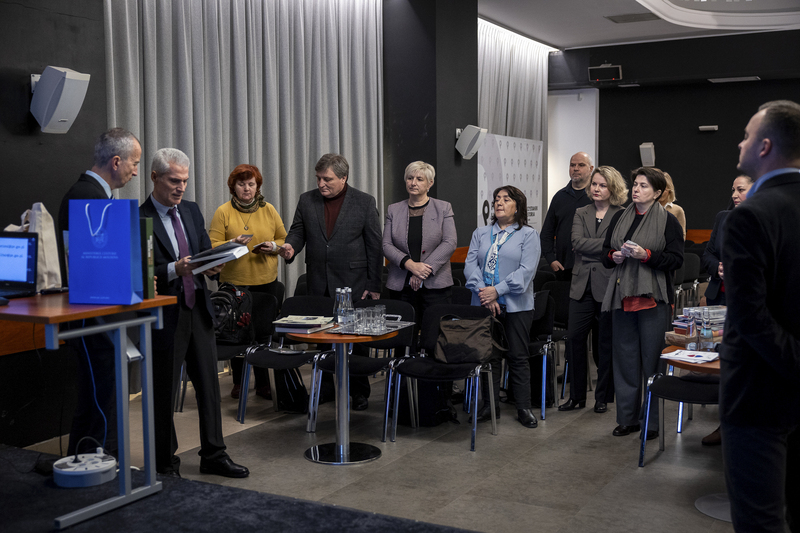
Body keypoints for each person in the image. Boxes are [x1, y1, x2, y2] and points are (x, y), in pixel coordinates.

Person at [140, 148, 249, 478]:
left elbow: (202, 254)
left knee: (209, 388)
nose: (181, 188)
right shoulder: (138, 217)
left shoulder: (190, 210)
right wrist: (175, 268)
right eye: (174, 180)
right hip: (165, 314)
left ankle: (214, 454)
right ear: (154, 177)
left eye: (185, 181)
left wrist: (217, 263)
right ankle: (163, 462)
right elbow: (139, 272)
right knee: (163, 392)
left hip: (198, 309)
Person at [719, 100, 800, 532]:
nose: (741, 141)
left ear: (765, 146)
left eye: (748, 134)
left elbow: (750, 319)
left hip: (759, 393)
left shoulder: (751, 214)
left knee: (760, 522)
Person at [57, 127, 142, 457]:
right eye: (134, 163)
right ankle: (103, 463)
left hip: (95, 310)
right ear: (117, 161)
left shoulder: (90, 193)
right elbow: (95, 260)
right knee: (102, 393)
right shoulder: (87, 196)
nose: (135, 170)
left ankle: (88, 459)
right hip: (92, 313)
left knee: (97, 392)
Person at [279, 153, 382, 410]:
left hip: (354, 281)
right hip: (318, 280)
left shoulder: (364, 202)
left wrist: (374, 284)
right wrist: (290, 247)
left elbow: (374, 246)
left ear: (343, 178)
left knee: (355, 340)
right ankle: (325, 388)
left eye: (328, 179)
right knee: (323, 339)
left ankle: (359, 392)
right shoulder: (306, 200)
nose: (321, 184)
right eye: (318, 178)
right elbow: (298, 231)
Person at [601, 167, 683, 440]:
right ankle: (628, 419)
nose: (636, 189)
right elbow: (605, 253)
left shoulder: (668, 221)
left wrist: (646, 254)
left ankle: (652, 422)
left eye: (644, 186)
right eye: (635, 184)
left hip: (652, 300)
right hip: (622, 297)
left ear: (658, 192)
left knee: (652, 364)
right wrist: (614, 256)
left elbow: (675, 260)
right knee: (624, 362)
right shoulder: (619, 217)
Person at [209, 164, 287, 400]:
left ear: (258, 186)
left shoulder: (269, 210)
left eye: (251, 184)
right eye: (241, 184)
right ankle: (239, 382)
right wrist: (232, 243)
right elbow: (212, 247)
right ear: (233, 187)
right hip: (234, 284)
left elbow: (282, 238)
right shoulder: (223, 212)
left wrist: (273, 247)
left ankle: (263, 383)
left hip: (266, 282)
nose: (247, 188)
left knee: (262, 334)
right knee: (236, 334)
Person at [465, 185, 540, 428]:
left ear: (517, 206)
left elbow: (526, 272)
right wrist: (486, 294)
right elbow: (470, 266)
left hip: (516, 306)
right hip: (485, 304)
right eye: (497, 199)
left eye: (506, 199)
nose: (499, 203)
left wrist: (498, 291)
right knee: (490, 357)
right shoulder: (481, 232)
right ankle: (489, 405)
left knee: (518, 356)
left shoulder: (528, 235)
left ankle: (523, 407)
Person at [559, 166, 627, 414]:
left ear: (613, 189)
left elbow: (619, 244)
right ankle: (576, 397)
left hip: (609, 285)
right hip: (580, 286)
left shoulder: (622, 214)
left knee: (604, 344)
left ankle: (603, 398)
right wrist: (607, 248)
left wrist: (602, 248)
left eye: (602, 185)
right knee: (575, 341)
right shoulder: (580, 212)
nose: (596, 189)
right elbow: (576, 242)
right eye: (594, 185)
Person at [383, 161, 456, 327]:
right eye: (410, 178)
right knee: (402, 336)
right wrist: (410, 265)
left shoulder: (443, 208)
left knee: (435, 335)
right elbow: (386, 245)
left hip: (435, 284)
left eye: (419, 179)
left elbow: (449, 242)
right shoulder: (393, 210)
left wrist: (422, 270)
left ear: (430, 183)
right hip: (401, 285)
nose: (413, 182)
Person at [702, 175, 754, 307]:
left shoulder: (766, 219)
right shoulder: (722, 217)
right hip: (719, 295)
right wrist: (718, 268)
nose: (734, 195)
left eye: (740, 190)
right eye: (733, 190)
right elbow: (708, 254)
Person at [540, 152, 593, 281]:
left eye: (581, 165)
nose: (575, 168)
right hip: (563, 268)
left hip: (591, 268)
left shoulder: (596, 197)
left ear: (591, 169)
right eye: (572, 165)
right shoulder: (559, 197)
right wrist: (551, 259)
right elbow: (546, 233)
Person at [658, 172, 686, 240]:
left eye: (663, 189)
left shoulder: (677, 210)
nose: (660, 192)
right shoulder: (647, 208)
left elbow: (682, 235)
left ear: (669, 190)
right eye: (658, 188)